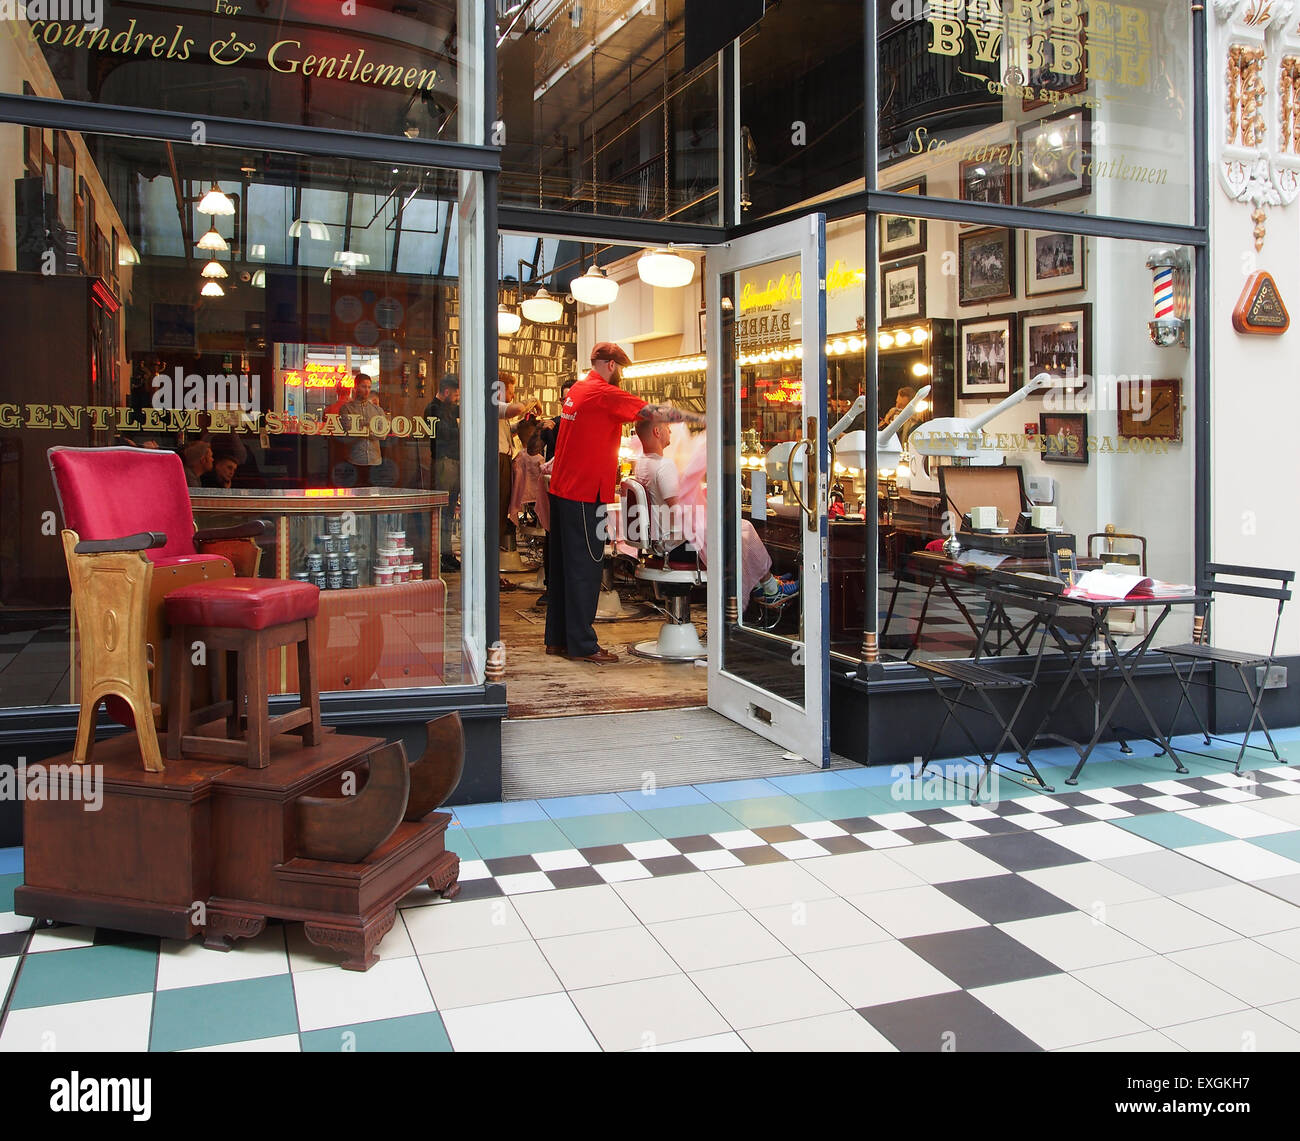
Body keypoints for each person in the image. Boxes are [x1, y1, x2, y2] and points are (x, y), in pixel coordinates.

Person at [545, 342, 702, 663]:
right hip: (584, 493)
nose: (622, 377)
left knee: (562, 569)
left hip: (562, 489)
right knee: (584, 569)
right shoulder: (604, 392)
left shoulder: (577, 390)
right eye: (622, 370)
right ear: (612, 365)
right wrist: (696, 415)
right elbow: (654, 413)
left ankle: (558, 640)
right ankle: (583, 645)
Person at [632, 419, 795, 602]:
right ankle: (771, 589)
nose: (670, 429)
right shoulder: (664, 466)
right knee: (742, 528)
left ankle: (761, 584)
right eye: (666, 426)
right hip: (677, 546)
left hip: (660, 543)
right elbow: (679, 510)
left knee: (737, 529)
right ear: (657, 431)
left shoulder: (642, 463)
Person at [424, 373, 461, 573]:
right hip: (444, 462)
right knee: (443, 511)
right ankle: (439, 555)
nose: (457, 399)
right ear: (446, 392)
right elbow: (444, 434)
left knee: (449, 510)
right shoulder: (433, 409)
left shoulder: (447, 408)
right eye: (455, 395)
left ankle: (447, 553)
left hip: (452, 462)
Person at [496, 371, 535, 550]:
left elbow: (504, 429)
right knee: (498, 507)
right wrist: (534, 401)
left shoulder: (500, 411)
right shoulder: (492, 404)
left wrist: (519, 426)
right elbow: (517, 409)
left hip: (503, 459)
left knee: (503, 505)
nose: (513, 396)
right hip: (496, 461)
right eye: (510, 392)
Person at [337, 373, 384, 486]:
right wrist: (371, 429)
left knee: (374, 495)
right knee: (356, 495)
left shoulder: (378, 410)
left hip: (375, 459)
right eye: (363, 386)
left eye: (369, 387)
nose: (367, 390)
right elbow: (350, 431)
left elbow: (382, 434)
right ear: (356, 387)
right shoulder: (346, 408)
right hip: (355, 458)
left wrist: (361, 428)